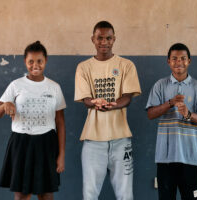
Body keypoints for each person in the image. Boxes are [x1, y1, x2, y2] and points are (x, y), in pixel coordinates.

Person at [74, 21, 141, 200]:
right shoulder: (83, 67)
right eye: (100, 38)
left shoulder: (126, 65)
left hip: (121, 139)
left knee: (125, 194)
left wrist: (115, 104)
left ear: (114, 39)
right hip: (93, 140)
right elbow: (85, 99)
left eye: (108, 38)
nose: (104, 42)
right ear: (93, 39)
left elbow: (127, 96)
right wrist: (94, 102)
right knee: (89, 194)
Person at [0, 41, 66, 200]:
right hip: (21, 143)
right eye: (30, 61)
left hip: (46, 143)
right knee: (21, 194)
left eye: (39, 61)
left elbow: (60, 122)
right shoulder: (16, 85)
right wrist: (5, 104)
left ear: (45, 60)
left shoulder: (54, 87)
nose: (35, 65)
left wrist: (61, 154)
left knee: (46, 194)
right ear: (25, 62)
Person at [146, 43, 197, 200]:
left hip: (190, 157)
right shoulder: (160, 86)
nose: (179, 62)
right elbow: (150, 114)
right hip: (165, 158)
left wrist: (188, 114)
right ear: (168, 61)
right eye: (174, 58)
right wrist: (170, 103)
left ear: (189, 61)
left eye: (183, 58)